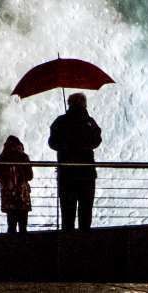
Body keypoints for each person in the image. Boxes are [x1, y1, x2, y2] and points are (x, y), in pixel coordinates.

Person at [48, 92, 102, 231]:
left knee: (67, 214)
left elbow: (52, 143)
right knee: (85, 212)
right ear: (84, 104)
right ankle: (84, 245)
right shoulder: (89, 122)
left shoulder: (60, 121)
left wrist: (66, 146)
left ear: (69, 104)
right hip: (86, 174)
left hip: (66, 174)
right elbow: (97, 140)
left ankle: (68, 245)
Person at [0, 135, 33, 234]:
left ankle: (11, 247)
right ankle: (23, 246)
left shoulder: (1, 157)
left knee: (11, 226)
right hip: (22, 195)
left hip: (9, 195)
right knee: (23, 226)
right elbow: (30, 176)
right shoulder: (23, 157)